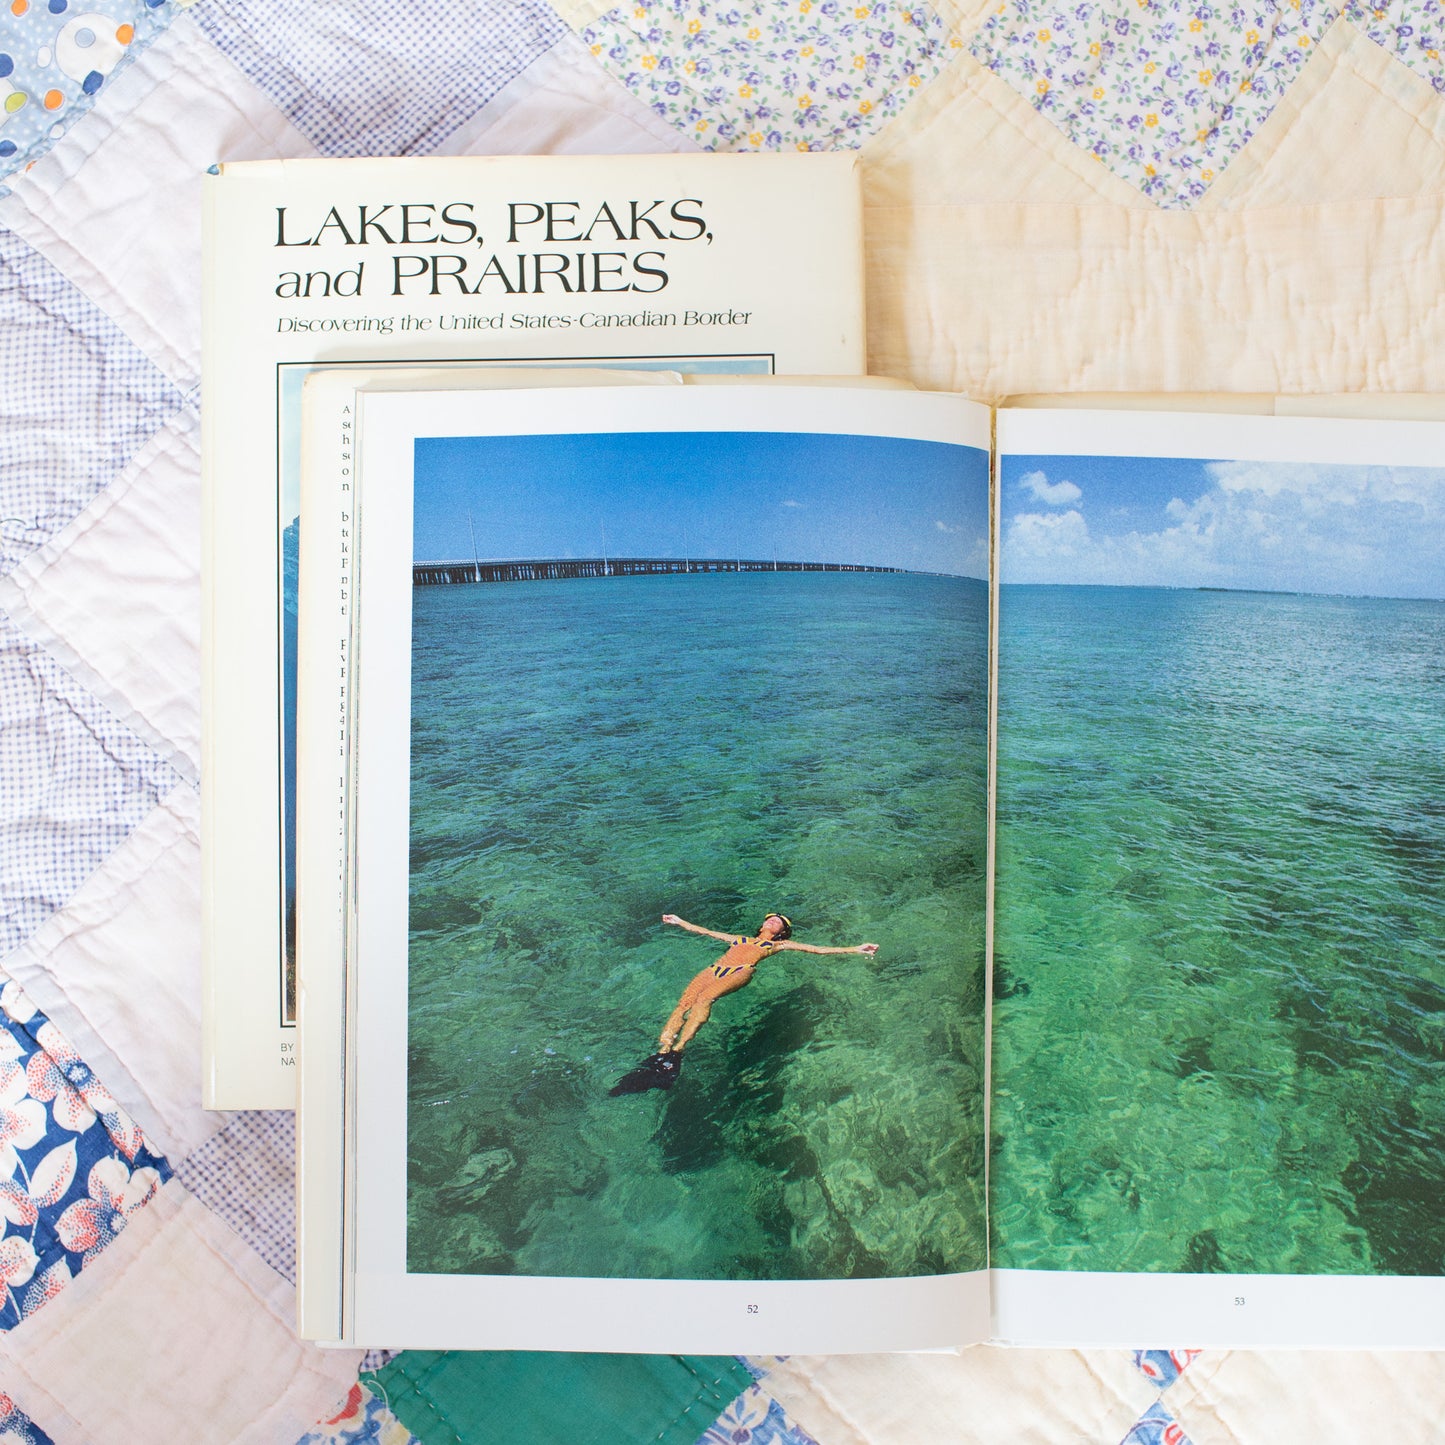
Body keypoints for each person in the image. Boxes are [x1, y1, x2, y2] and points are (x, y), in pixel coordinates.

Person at [656, 911, 879, 1054]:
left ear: (783, 933)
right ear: (762, 924)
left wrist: (856, 949)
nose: (775, 920)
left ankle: (679, 1048)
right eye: (771, 918)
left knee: (705, 999)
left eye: (780, 922)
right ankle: (664, 1049)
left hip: (741, 971)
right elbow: (706, 931)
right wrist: (679, 921)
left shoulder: (779, 945)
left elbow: (818, 950)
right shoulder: (740, 939)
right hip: (713, 969)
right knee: (684, 1004)